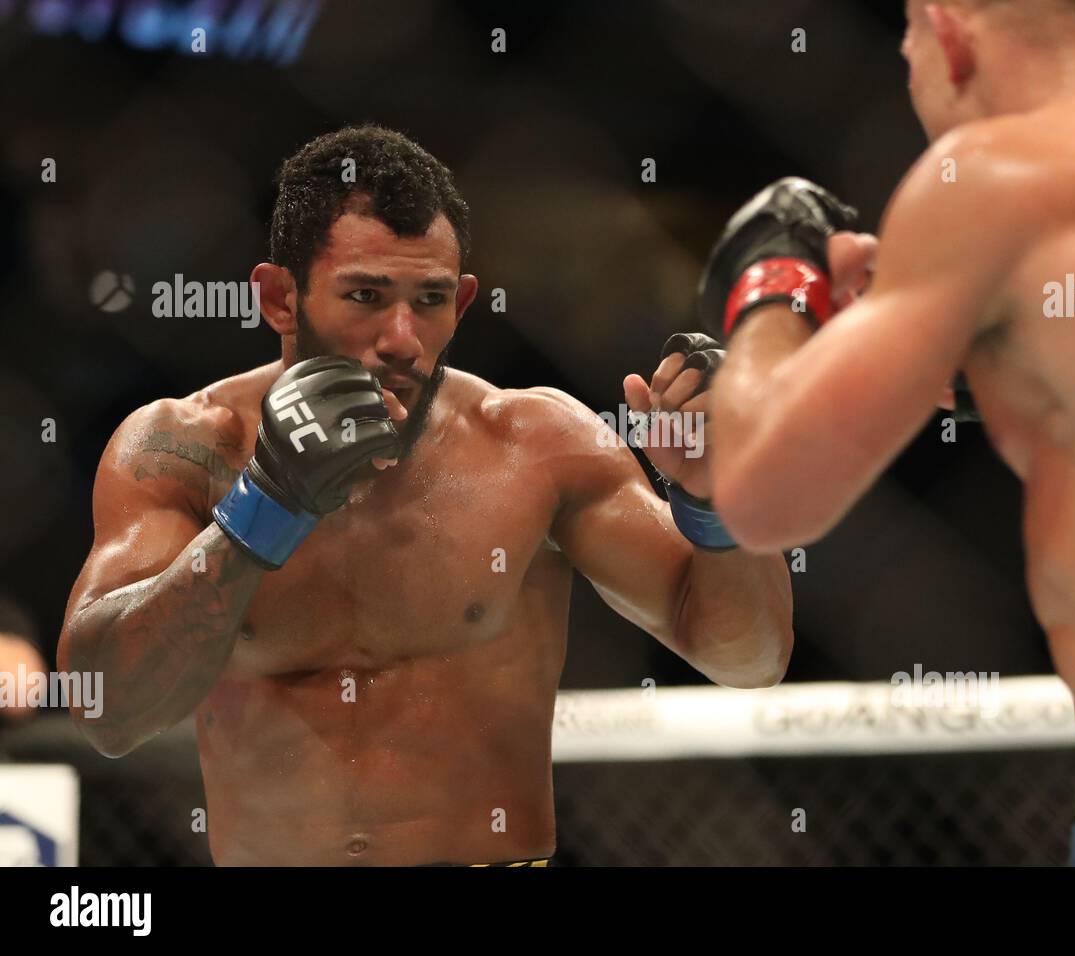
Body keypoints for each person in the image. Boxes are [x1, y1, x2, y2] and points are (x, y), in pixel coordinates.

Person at [59, 125, 793, 866]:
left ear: (463, 301)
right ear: (281, 299)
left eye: (430, 299)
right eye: (366, 296)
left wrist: (718, 501)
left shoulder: (535, 446)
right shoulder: (185, 450)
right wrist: (263, 509)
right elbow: (104, 711)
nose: (403, 338)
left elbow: (747, 659)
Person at [700, 0, 1075, 865]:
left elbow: (761, 494)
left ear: (948, 35)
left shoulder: (996, 172)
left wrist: (772, 282)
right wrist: (971, 351)